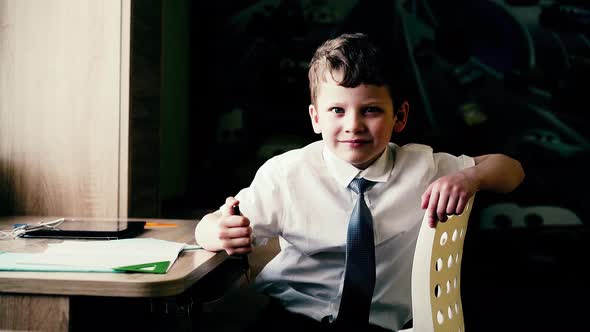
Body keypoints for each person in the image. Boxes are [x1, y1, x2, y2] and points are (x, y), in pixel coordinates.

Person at [195, 32, 524, 331]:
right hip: (292, 315)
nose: (353, 124)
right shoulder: (286, 175)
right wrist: (218, 230)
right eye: (337, 110)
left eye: (370, 110)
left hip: (385, 324)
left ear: (400, 117)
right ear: (315, 118)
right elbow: (209, 227)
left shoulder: (424, 167)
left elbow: (511, 171)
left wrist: (471, 177)